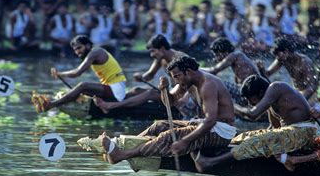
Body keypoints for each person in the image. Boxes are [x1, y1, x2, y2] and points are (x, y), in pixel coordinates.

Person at [99, 56, 237, 164]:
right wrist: (164, 90)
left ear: (188, 72)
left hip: (221, 132)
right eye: (173, 77)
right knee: (159, 126)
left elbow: (210, 121)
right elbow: (170, 103)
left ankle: (122, 155)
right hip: (205, 125)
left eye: (176, 76)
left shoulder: (208, 84)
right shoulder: (187, 80)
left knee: (169, 136)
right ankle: (126, 146)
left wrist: (185, 141)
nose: (176, 81)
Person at [192, 75, 316, 173]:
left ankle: (209, 163)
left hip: (302, 133)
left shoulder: (277, 87)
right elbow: (273, 128)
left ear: (261, 93)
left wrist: (231, 105)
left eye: (251, 99)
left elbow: (252, 114)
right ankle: (216, 149)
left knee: (256, 141)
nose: (250, 103)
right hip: (289, 133)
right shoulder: (272, 100)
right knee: (246, 136)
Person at [94, 34, 190, 115]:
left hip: (180, 97)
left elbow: (193, 83)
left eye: (153, 51)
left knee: (150, 93)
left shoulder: (180, 58)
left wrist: (184, 101)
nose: (151, 55)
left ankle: (111, 106)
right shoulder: (161, 58)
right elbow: (149, 75)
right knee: (136, 90)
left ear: (161, 48)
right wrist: (141, 77)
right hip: (170, 93)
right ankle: (111, 101)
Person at [32, 35, 127, 113]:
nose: (77, 52)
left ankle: (52, 104)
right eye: (75, 50)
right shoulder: (93, 54)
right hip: (112, 87)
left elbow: (77, 72)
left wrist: (60, 74)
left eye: (79, 48)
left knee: (83, 85)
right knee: (79, 90)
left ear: (88, 45)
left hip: (116, 89)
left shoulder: (96, 52)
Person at [257, 37, 319, 102]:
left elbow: (312, 87)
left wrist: (298, 100)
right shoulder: (281, 59)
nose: (277, 58)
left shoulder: (304, 62)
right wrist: (261, 69)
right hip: (296, 93)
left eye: (278, 55)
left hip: (310, 97)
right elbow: (267, 74)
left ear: (286, 51)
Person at [202, 37, 260, 104]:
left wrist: (196, 68)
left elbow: (214, 70)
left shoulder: (233, 56)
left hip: (251, 90)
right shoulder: (238, 56)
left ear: (224, 52)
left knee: (215, 82)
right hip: (251, 89)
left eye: (217, 55)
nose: (216, 58)